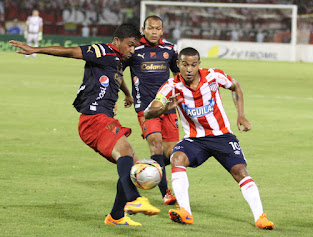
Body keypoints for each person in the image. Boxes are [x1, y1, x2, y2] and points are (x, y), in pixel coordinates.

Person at [10, 23, 160, 226]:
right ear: (117, 41)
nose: (132, 50)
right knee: (125, 152)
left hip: (103, 118)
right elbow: (70, 52)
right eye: (130, 45)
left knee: (131, 164)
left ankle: (115, 217)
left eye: (135, 46)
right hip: (93, 119)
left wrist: (126, 93)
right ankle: (134, 200)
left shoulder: (118, 59)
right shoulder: (101, 50)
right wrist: (35, 49)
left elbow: (117, 76)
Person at [144, 47, 274, 230]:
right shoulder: (171, 86)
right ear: (178, 64)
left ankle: (260, 217)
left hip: (221, 136)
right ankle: (185, 212)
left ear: (199, 64)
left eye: (193, 64)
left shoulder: (214, 76)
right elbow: (149, 112)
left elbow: (235, 86)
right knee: (176, 157)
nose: (189, 69)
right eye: (185, 64)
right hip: (195, 140)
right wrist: (164, 109)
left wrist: (241, 115)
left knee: (240, 171)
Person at [124, 15, 180, 205]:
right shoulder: (134, 49)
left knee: (172, 153)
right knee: (156, 143)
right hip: (145, 108)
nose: (154, 32)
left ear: (162, 31)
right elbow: (116, 71)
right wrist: (124, 94)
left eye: (157, 28)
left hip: (168, 107)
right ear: (143, 29)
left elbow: (178, 74)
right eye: (150, 28)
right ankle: (166, 193)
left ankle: (144, 168)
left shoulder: (170, 49)